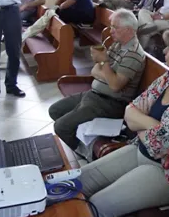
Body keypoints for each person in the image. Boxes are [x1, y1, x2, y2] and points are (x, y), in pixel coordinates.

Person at [80, 26, 169, 217]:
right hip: (141, 150)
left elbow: (159, 146)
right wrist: (153, 125)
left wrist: (140, 123)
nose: (164, 51)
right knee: (81, 180)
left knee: (98, 205)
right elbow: (131, 110)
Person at [49, 10, 145, 149]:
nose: (111, 31)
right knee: (55, 110)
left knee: (61, 127)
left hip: (110, 103)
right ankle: (83, 137)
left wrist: (105, 63)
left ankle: (86, 153)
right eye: (111, 26)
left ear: (128, 30)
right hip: (94, 94)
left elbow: (115, 85)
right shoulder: (118, 44)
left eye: (115, 27)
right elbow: (94, 71)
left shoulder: (133, 54)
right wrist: (107, 72)